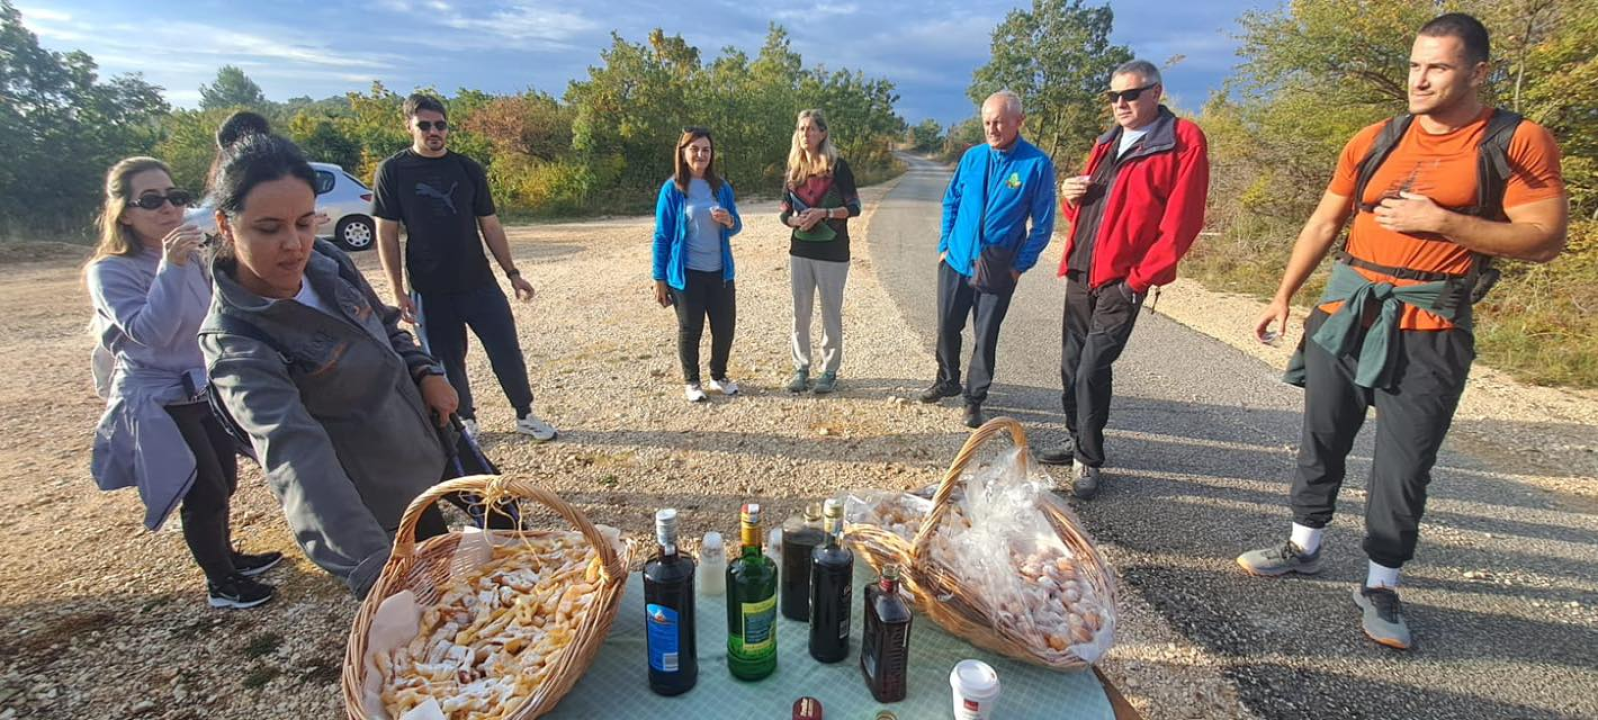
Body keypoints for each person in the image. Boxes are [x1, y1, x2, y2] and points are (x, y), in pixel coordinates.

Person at [1236, 13, 1568, 650]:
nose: (1420, 79)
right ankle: (1303, 546)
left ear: (1478, 72)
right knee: (1322, 434)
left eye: (1438, 67)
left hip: (1430, 323)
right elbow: (1324, 221)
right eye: (1415, 65)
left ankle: (1381, 583)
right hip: (1345, 308)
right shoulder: (1378, 138)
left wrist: (1442, 221)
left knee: (1405, 460)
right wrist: (1282, 296)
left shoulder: (1515, 140)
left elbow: (1544, 238)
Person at [200, 127, 463, 599]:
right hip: (371, 512)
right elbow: (297, 460)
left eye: (304, 222)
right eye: (268, 228)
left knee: (463, 589)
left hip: (419, 462)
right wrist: (374, 571)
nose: (293, 244)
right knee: (432, 617)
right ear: (224, 224)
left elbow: (384, 325)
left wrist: (425, 372)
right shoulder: (237, 341)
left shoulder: (326, 260)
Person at [87, 156, 281, 609]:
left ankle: (228, 556)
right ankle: (220, 582)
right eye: (151, 200)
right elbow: (149, 331)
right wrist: (170, 267)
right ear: (124, 212)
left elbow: (213, 310)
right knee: (203, 485)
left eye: (175, 197)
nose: (168, 208)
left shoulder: (188, 252)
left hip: (202, 383)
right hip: (159, 395)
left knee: (226, 478)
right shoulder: (110, 270)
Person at [1040, 60, 1211, 499]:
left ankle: (1089, 460)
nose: (1120, 103)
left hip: (1123, 280)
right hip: (1082, 269)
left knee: (1093, 368)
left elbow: (1181, 223)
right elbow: (1090, 211)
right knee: (1071, 365)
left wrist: (1139, 280)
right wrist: (1069, 197)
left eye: (1130, 94)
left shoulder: (1181, 141)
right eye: (1113, 96)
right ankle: (1075, 437)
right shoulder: (1107, 141)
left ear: (1157, 92)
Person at [372, 93, 557, 441]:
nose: (433, 132)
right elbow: (387, 232)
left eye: (440, 125)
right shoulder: (394, 171)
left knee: (506, 349)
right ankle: (466, 420)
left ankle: (525, 413)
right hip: (429, 288)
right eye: (424, 125)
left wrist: (513, 274)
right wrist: (398, 292)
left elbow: (490, 224)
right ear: (408, 126)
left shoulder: (467, 168)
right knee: (446, 362)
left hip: (478, 281)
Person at [920, 90, 1056, 428]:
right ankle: (947, 380)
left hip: (998, 265)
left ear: (1018, 122)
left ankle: (974, 397)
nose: (991, 129)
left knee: (986, 334)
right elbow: (951, 200)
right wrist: (944, 245)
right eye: (986, 122)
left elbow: (1043, 224)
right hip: (956, 259)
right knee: (947, 326)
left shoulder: (1035, 164)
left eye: (998, 122)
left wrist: (1018, 266)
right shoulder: (973, 157)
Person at [651, 126, 744, 402]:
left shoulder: (721, 187)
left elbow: (736, 224)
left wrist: (729, 221)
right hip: (686, 274)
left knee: (725, 327)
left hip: (720, 272)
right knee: (691, 329)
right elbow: (662, 236)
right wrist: (659, 278)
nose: (701, 154)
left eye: (706, 149)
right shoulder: (672, 189)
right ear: (683, 152)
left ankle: (718, 376)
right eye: (695, 149)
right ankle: (692, 382)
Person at [779, 109, 861, 394]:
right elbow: (784, 212)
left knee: (830, 313)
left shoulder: (838, 167)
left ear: (823, 133)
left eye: (812, 129)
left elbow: (855, 208)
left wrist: (824, 212)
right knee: (800, 313)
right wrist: (794, 220)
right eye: (802, 129)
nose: (806, 134)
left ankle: (829, 370)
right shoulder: (793, 169)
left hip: (834, 252)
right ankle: (801, 367)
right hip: (800, 249)